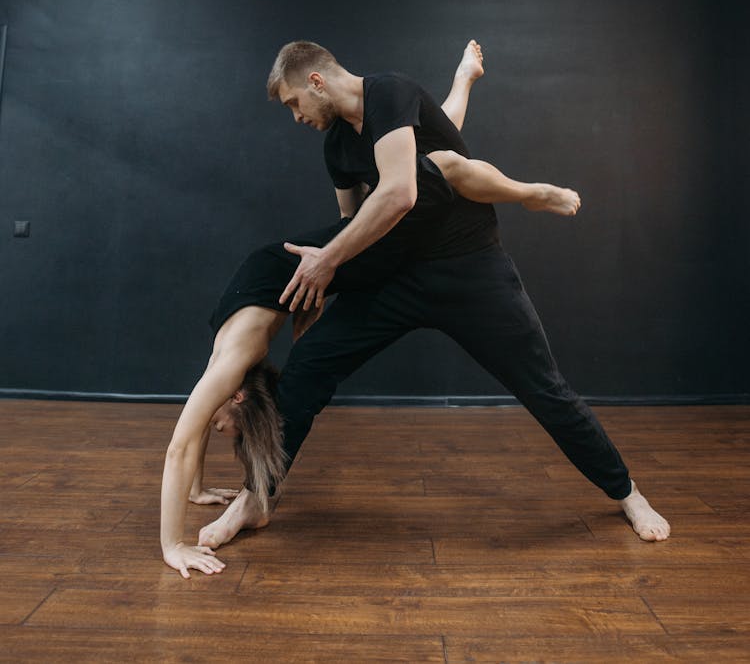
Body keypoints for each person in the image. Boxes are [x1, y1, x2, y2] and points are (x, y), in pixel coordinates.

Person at [198, 39, 669, 556]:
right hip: (395, 276)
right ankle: (256, 496)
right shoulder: (337, 145)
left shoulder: (390, 93)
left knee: (544, 388)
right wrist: (321, 293)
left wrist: (327, 259)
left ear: (315, 81)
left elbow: (399, 193)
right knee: (309, 364)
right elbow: (352, 226)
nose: (295, 116)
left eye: (293, 103)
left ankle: (627, 492)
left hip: (468, 267)